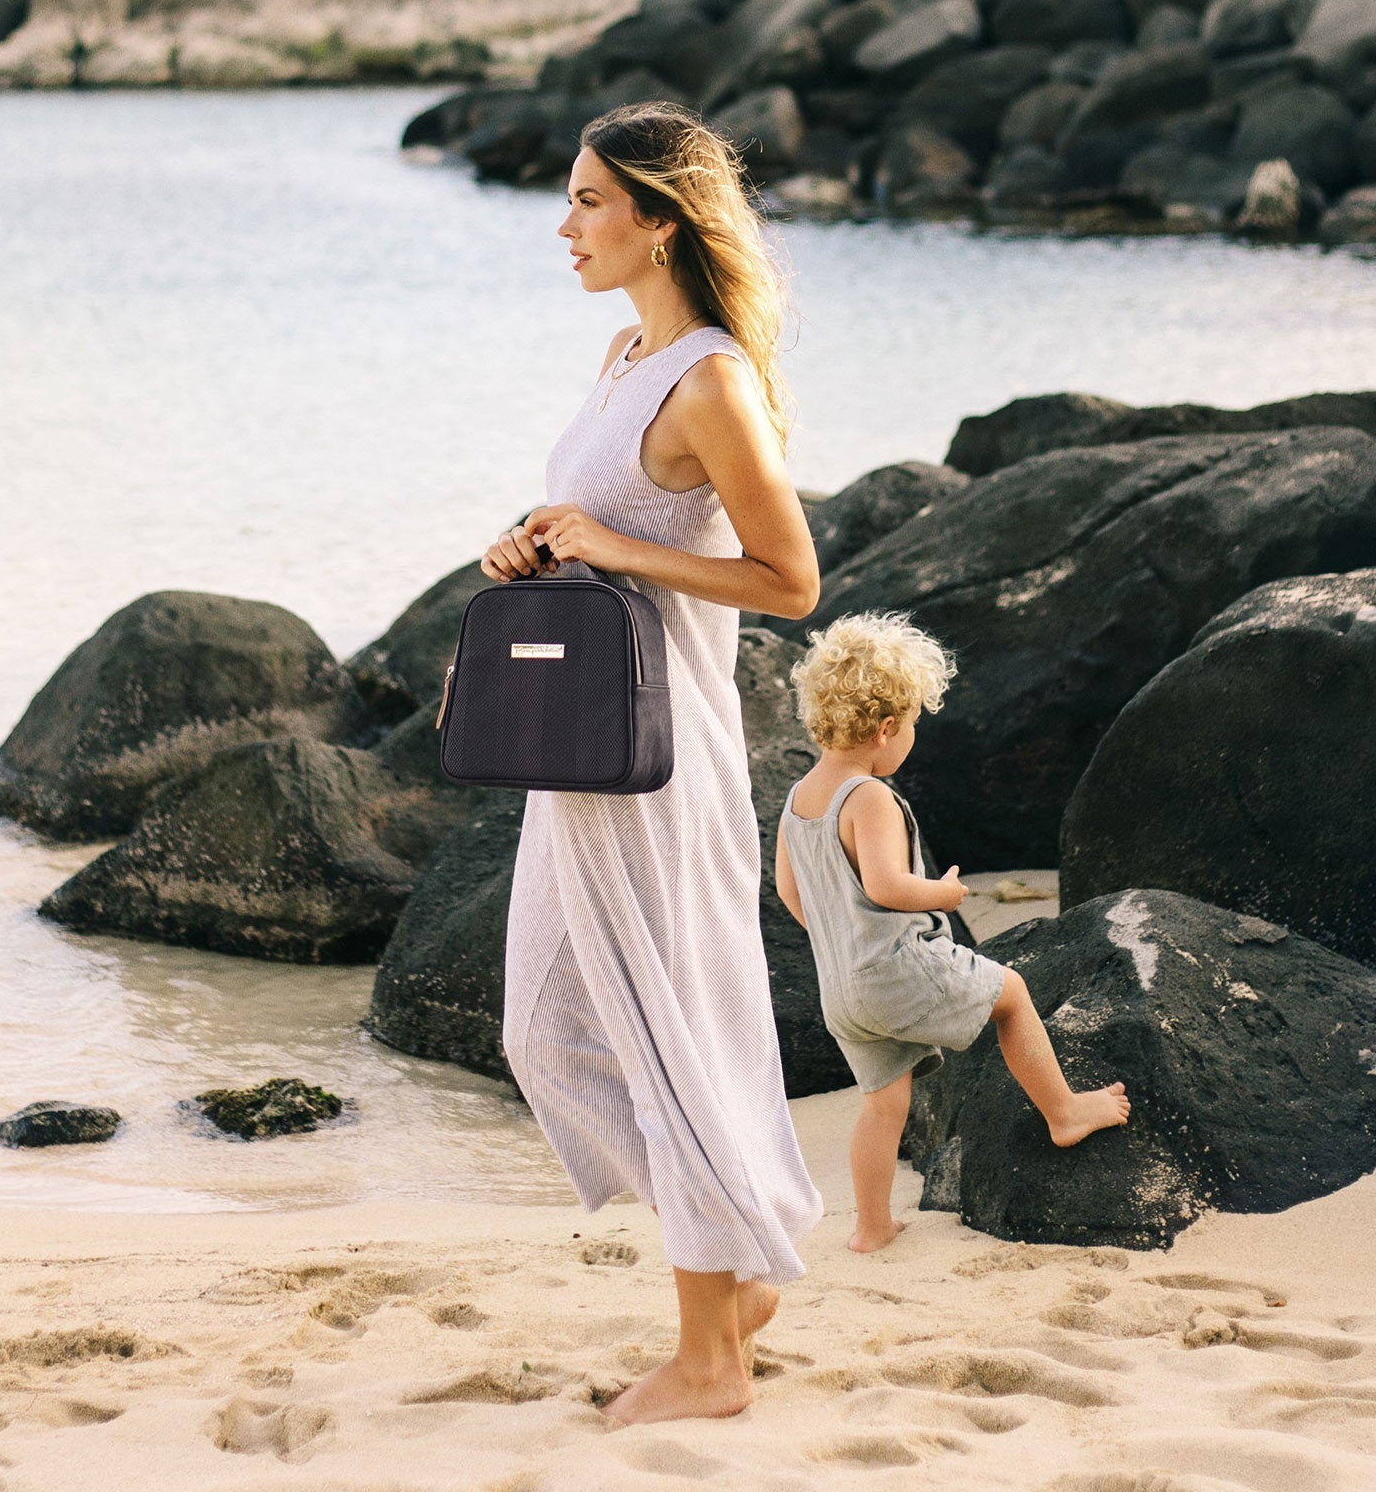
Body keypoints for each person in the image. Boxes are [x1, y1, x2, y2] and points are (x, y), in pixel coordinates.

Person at [481, 101, 823, 1426]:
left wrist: (616, 548)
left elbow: (788, 579)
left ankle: (710, 1357)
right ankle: (736, 1263)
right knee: (543, 1034)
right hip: (579, 752)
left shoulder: (711, 383)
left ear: (660, 220)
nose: (563, 225)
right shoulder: (626, 354)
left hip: (658, 759)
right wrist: (534, 542)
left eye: (586, 201)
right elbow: (604, 524)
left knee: (667, 1043)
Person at [774, 612, 1130, 1254]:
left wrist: (841, 937)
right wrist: (945, 893)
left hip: (842, 991)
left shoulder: (799, 798)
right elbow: (887, 885)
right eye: (913, 723)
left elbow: (788, 892)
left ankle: (871, 1227)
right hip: (895, 968)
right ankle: (1064, 1112)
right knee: (1012, 995)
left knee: (883, 1105)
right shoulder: (869, 796)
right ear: (886, 728)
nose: (912, 736)